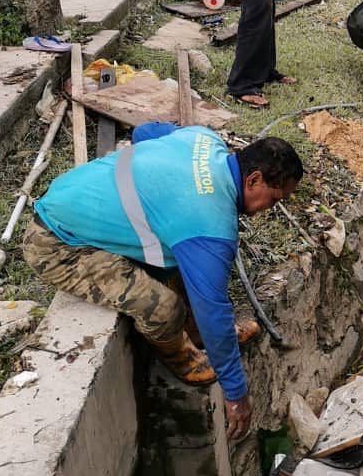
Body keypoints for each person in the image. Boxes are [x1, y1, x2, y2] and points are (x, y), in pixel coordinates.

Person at [23, 125, 304, 441]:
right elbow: (214, 310)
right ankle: (182, 357)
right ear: (253, 180)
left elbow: (145, 131)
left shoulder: (203, 139)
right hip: (58, 244)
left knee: (188, 264)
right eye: (275, 198)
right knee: (163, 309)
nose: (272, 207)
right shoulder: (210, 223)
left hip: (69, 196)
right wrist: (236, 393)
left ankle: (196, 334)